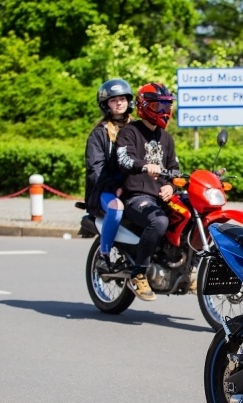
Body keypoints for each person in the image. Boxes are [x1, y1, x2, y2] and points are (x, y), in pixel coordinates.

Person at [116, 82, 179, 301]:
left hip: (162, 198)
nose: (163, 112)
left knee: (189, 216)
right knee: (159, 222)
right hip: (136, 196)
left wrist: (171, 185)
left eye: (166, 106)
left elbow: (175, 169)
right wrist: (143, 165)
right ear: (143, 106)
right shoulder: (130, 132)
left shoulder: (166, 138)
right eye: (157, 106)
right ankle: (138, 273)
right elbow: (123, 159)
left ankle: (185, 269)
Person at [85, 78, 135, 273]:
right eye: (114, 100)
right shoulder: (99, 134)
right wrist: (116, 187)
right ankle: (104, 255)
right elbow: (95, 169)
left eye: (122, 98)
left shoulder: (138, 129)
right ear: (106, 104)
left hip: (134, 187)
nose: (119, 103)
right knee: (116, 208)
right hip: (105, 190)